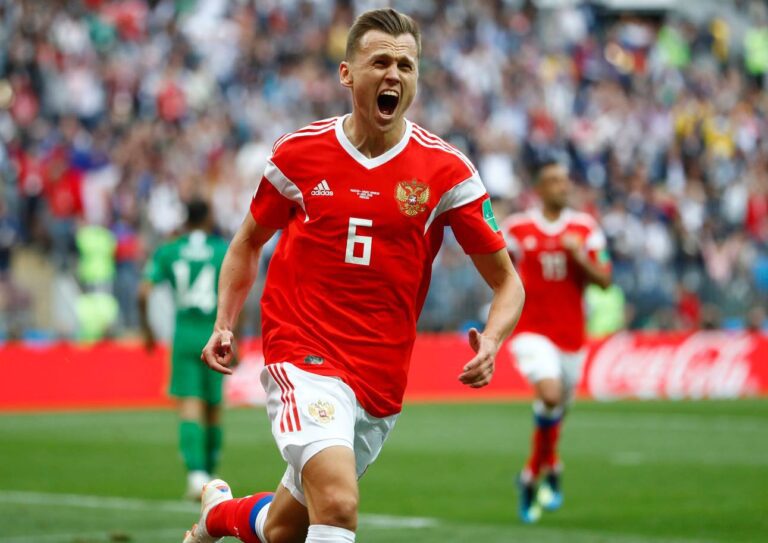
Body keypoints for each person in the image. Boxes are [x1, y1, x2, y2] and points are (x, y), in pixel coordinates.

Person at [183, 8, 525, 543]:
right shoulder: (299, 153)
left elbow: (507, 282)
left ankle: (217, 516)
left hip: (380, 376)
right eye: (381, 62)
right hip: (303, 351)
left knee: (285, 529)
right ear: (347, 74)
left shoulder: (448, 173)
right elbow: (248, 241)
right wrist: (225, 322)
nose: (394, 74)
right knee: (339, 505)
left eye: (406, 66)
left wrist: (494, 340)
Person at [502, 155, 612, 523]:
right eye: (554, 181)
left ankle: (534, 472)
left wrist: (579, 256)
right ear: (538, 189)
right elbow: (494, 267)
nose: (562, 187)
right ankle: (547, 467)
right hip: (530, 331)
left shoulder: (585, 228)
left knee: (555, 411)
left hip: (572, 338)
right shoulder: (517, 229)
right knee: (549, 396)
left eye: (565, 181)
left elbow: (605, 279)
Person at [139, 199, 230, 500]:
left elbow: (143, 293)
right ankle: (210, 477)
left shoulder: (169, 250)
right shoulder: (222, 250)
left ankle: (196, 476)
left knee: (190, 406)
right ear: (208, 218)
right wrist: (236, 335)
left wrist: (147, 331)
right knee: (214, 407)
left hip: (184, 336)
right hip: (215, 335)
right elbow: (236, 291)